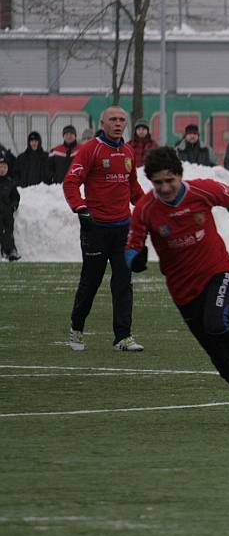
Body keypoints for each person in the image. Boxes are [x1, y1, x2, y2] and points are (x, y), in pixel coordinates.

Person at [125, 146, 229, 424]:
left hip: (218, 272)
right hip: (182, 290)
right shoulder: (145, 209)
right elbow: (131, 248)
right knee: (213, 349)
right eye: (158, 182)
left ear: (180, 175)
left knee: (216, 324)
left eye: (170, 180)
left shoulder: (202, 190)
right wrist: (136, 259)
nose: (165, 187)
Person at [62, 105, 145, 352]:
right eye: (113, 119)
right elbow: (70, 182)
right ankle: (76, 329)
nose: (118, 123)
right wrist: (80, 208)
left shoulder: (129, 150)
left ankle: (123, 336)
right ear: (102, 122)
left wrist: (149, 209)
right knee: (91, 281)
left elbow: (134, 189)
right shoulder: (91, 150)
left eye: (122, 119)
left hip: (123, 229)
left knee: (123, 282)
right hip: (96, 229)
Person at [0, 152, 20, 261]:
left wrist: (13, 206)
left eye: (4, 167)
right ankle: (7, 250)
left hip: (7, 212)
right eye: (0, 167)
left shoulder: (10, 183)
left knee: (8, 231)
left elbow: (16, 197)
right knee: (2, 230)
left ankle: (11, 251)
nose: (2, 169)